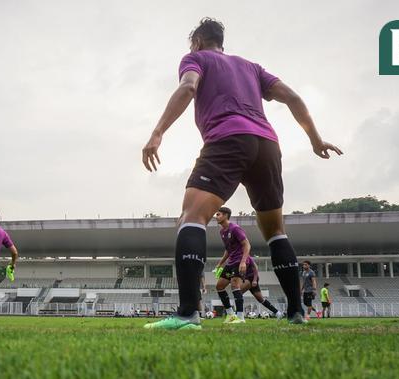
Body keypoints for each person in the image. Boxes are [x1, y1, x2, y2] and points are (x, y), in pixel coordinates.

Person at [142, 18, 342, 329]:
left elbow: (188, 86)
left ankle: (186, 313)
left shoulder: (195, 58)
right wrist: (315, 140)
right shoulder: (252, 67)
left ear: (196, 42)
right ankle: (295, 312)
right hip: (267, 145)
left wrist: (157, 133)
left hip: (228, 139)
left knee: (191, 218)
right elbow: (294, 97)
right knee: (276, 230)